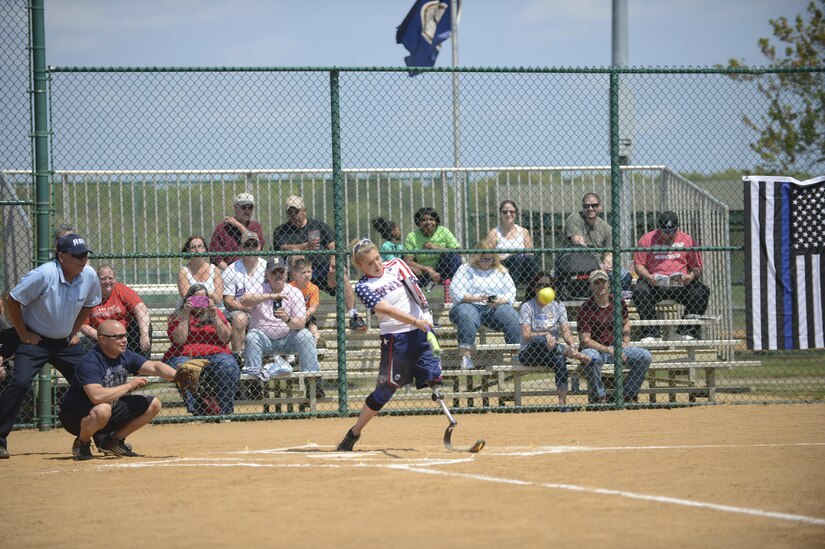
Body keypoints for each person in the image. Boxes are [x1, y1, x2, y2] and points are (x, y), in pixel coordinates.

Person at [0, 234, 102, 459]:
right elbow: (13, 300)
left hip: (65, 343)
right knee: (20, 382)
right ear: (61, 256)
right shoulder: (44, 274)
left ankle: (103, 436)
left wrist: (74, 331)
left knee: (91, 381)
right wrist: (23, 333)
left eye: (85, 255)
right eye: (77, 256)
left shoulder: (89, 275)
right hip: (35, 340)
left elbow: (89, 304)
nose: (82, 260)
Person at [336, 239, 442, 451]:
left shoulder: (397, 265)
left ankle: (437, 389)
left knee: (434, 374)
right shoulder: (364, 287)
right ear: (360, 267)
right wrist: (416, 321)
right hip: (396, 340)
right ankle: (354, 432)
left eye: (377, 258)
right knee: (386, 391)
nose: (377, 264)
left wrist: (427, 314)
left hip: (420, 332)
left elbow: (416, 290)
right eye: (369, 263)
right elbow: (386, 310)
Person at [59, 320, 177, 460]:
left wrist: (177, 376)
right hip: (76, 416)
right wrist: (129, 385)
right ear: (102, 339)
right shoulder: (90, 362)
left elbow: (154, 366)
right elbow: (96, 396)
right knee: (103, 408)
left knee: (154, 404)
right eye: (118, 337)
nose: (124, 340)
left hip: (107, 409)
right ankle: (82, 443)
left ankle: (112, 442)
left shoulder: (125, 355)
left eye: (125, 335)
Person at [272, 195, 366, 331]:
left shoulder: (318, 225)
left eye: (296, 211)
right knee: (296, 255)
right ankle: (302, 318)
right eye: (290, 212)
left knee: (341, 272)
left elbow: (332, 245)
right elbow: (282, 247)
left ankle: (353, 316)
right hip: (298, 274)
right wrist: (305, 246)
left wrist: (333, 261)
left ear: (304, 210)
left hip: (322, 270)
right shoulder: (281, 230)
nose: (293, 215)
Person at [632, 211, 711, 342]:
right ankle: (652, 333)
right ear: (659, 228)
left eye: (672, 231)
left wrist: (690, 276)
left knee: (701, 291)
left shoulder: (687, 239)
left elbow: (698, 267)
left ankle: (686, 331)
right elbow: (638, 265)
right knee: (640, 290)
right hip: (655, 285)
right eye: (665, 232)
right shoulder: (647, 239)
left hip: (680, 285)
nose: (668, 235)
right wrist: (648, 276)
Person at [242, 257, 321, 386]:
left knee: (306, 335)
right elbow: (244, 300)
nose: (278, 275)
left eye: (281, 271)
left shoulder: (294, 292)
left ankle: (313, 384)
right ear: (267, 274)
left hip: (286, 339)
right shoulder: (259, 288)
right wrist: (271, 296)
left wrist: (287, 319)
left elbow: (300, 323)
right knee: (252, 337)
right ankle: (254, 385)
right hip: (264, 340)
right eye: (274, 272)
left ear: (286, 273)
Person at [164, 284, 240, 416]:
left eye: (203, 299)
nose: (199, 303)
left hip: (216, 353)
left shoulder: (214, 312)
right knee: (185, 368)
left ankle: (225, 412)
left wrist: (214, 315)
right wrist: (186, 314)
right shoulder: (178, 315)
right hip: (185, 354)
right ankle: (196, 409)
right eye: (196, 299)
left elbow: (225, 338)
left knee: (228, 365)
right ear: (188, 299)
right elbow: (179, 340)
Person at [578, 270, 652, 403]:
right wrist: (610, 350)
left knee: (645, 356)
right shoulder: (586, 308)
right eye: (596, 282)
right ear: (591, 286)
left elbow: (626, 322)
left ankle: (628, 394)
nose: (600, 285)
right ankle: (599, 397)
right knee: (590, 357)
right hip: (598, 350)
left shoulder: (617, 302)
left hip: (617, 347)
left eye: (603, 282)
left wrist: (626, 341)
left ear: (609, 284)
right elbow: (585, 340)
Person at [518, 271, 591, 407]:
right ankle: (568, 353)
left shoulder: (558, 306)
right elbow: (526, 336)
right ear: (534, 288)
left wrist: (572, 345)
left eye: (547, 285)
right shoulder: (527, 306)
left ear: (552, 287)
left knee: (559, 360)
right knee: (539, 340)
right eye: (539, 285)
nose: (543, 288)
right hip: (529, 353)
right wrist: (545, 335)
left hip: (551, 352)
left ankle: (562, 403)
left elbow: (566, 331)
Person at [448, 240, 521, 370]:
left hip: (494, 306)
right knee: (467, 315)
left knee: (511, 315)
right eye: (485, 259)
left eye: (491, 259)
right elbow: (455, 291)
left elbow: (511, 292)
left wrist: (500, 300)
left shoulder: (501, 271)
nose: (488, 262)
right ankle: (466, 357)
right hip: (469, 304)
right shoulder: (465, 269)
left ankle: (515, 354)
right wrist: (476, 298)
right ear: (477, 257)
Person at [564, 192, 632, 292]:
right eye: (586, 206)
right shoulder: (574, 219)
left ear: (600, 207)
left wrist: (607, 265)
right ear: (583, 207)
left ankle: (612, 303)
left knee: (624, 276)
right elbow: (581, 246)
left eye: (594, 205)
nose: (590, 208)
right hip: (577, 263)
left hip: (599, 266)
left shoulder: (606, 227)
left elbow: (609, 253)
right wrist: (597, 266)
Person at [80, 264, 152, 358]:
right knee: (84, 342)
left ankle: (140, 367)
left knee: (142, 326)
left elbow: (140, 308)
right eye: (103, 278)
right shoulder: (89, 294)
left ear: (115, 279)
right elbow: (84, 325)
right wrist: (105, 338)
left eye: (110, 278)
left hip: (124, 334)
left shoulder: (121, 289)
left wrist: (144, 336)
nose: (107, 281)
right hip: (101, 336)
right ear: (96, 280)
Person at [222, 231, 267, 357]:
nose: (251, 248)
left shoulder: (267, 267)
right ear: (240, 248)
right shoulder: (231, 270)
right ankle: (237, 355)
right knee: (240, 318)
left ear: (259, 247)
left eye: (254, 245)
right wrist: (247, 308)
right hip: (240, 310)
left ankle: (277, 355)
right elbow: (229, 300)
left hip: (265, 309)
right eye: (247, 245)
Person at [403, 207, 462, 292]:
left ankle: (458, 287)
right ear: (419, 223)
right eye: (423, 220)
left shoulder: (443, 231)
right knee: (412, 273)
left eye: (431, 219)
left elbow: (458, 252)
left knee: (452, 256)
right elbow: (407, 261)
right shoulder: (412, 236)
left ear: (436, 221)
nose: (428, 222)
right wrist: (427, 269)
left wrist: (434, 247)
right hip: (424, 271)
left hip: (443, 269)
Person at [486, 200, 539, 287]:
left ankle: (537, 289)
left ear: (516, 213)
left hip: (523, 267)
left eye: (511, 211)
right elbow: (489, 256)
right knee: (517, 258)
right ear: (500, 214)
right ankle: (511, 291)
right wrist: (509, 255)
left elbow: (530, 253)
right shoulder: (494, 233)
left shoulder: (523, 231)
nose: (508, 214)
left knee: (529, 259)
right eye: (505, 212)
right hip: (502, 267)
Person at [210, 192, 266, 271]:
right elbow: (216, 257)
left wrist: (239, 226)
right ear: (235, 207)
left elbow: (258, 247)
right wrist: (230, 273)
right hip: (228, 271)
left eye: (250, 207)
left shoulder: (255, 227)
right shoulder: (222, 228)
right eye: (244, 207)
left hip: (252, 270)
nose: (247, 210)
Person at [177, 235, 225, 308]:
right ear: (188, 251)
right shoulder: (183, 271)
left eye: (200, 246)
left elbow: (218, 299)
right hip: (190, 311)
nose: (197, 249)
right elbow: (187, 299)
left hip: (211, 311)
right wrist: (209, 295)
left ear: (205, 249)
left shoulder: (215, 270)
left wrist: (196, 297)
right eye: (193, 247)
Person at [289, 258, 321, 345]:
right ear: (295, 274)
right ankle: (290, 354)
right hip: (292, 315)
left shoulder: (314, 288)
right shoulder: (289, 287)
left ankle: (315, 344)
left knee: (313, 326)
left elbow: (314, 306)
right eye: (303, 272)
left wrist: (306, 314)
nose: (307, 275)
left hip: (307, 314)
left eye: (309, 271)